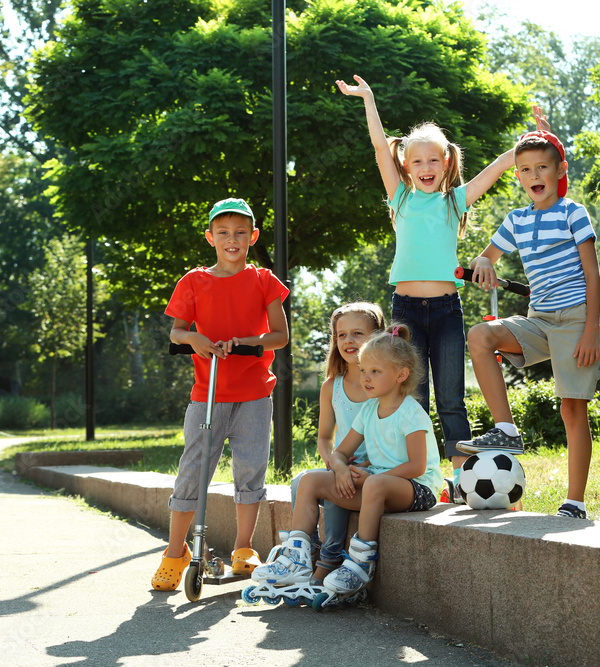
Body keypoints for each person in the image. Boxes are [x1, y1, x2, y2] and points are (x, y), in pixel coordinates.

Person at [335, 75, 516, 502]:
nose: (426, 169)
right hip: (407, 313)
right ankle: (415, 478)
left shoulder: (454, 201)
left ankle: (460, 481)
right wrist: (369, 98)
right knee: (411, 398)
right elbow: (381, 147)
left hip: (448, 312)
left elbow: (495, 170)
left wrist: (514, 154)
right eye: (417, 162)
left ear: (446, 164)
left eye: (434, 161)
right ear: (406, 167)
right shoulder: (399, 199)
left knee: (451, 399)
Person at [456, 129, 600, 520]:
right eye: (525, 169)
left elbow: (594, 276)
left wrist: (591, 329)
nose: (535, 175)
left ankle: (575, 503)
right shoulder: (516, 219)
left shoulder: (573, 212)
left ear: (559, 170)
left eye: (542, 167)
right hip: (538, 320)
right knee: (480, 335)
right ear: (518, 176)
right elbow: (485, 257)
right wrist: (485, 262)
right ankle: (505, 428)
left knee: (572, 411)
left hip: (575, 320)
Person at [152, 197, 289, 591]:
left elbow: (279, 336)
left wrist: (248, 341)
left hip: (253, 395)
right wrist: (193, 336)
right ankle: (175, 552)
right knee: (193, 472)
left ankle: (243, 548)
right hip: (207, 395)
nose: (233, 240)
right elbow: (177, 332)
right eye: (224, 233)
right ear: (211, 237)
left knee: (250, 471)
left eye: (241, 233)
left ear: (253, 236)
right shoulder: (193, 281)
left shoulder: (264, 281)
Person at [251, 324, 442, 602]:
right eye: (363, 370)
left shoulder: (411, 412)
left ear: (401, 375)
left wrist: (372, 477)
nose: (366, 378)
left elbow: (417, 467)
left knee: (375, 481)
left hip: (416, 489)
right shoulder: (368, 410)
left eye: (375, 371)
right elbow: (339, 453)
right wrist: (340, 470)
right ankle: (297, 558)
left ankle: (360, 563)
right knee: (310, 480)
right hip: (377, 485)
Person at [288, 301, 386, 588]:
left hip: (377, 468)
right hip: (341, 462)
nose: (348, 340)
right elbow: (323, 438)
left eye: (358, 333)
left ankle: (329, 559)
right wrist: (334, 463)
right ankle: (309, 552)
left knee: (335, 487)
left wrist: (355, 468)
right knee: (300, 481)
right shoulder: (331, 386)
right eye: (341, 335)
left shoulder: (382, 383)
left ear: (376, 336)